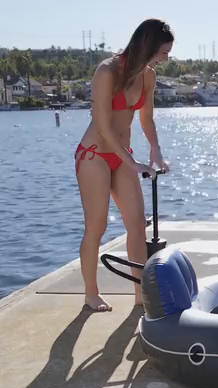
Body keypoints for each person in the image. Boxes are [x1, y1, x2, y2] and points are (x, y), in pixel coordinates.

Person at [74, 19, 173, 312]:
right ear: (148, 46)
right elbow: (103, 127)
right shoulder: (107, 72)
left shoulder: (148, 76)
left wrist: (155, 151)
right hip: (94, 155)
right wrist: (134, 163)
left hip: (122, 156)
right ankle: (91, 294)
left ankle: (141, 294)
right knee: (97, 226)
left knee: (137, 224)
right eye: (164, 52)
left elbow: (146, 119)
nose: (166, 58)